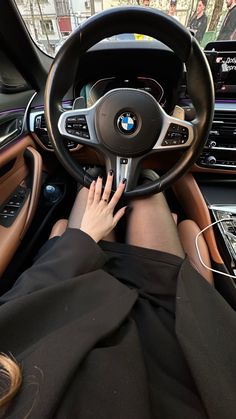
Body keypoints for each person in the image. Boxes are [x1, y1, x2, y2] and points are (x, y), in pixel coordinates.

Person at [0, 171, 236, 418]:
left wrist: (85, 239)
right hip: (162, 341)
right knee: (143, 183)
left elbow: (15, 314)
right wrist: (84, 237)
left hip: (76, 304)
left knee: (100, 186)